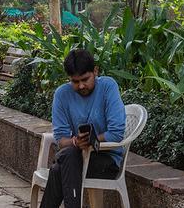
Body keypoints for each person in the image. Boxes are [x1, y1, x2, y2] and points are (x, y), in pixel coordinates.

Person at [39, 49, 126, 208]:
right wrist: (76, 142)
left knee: (60, 166)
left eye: (85, 79)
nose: (81, 86)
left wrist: (90, 141)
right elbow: (61, 139)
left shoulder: (108, 87)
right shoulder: (62, 94)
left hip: (106, 159)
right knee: (69, 155)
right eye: (75, 81)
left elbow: (116, 133)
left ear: (95, 71)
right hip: (74, 157)